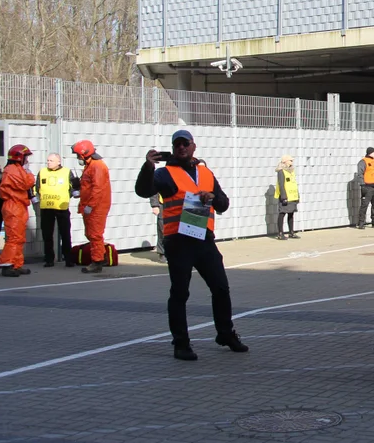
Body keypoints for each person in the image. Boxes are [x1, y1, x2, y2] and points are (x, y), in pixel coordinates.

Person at [135, 129, 248, 361]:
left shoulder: (205, 172)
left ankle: (225, 333)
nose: (181, 148)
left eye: (185, 144)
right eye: (177, 145)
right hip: (178, 242)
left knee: (220, 288)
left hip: (204, 240)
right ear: (173, 148)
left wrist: (212, 198)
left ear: (193, 146)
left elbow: (224, 204)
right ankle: (181, 343)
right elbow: (143, 190)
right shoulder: (166, 173)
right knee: (179, 293)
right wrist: (148, 167)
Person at [73, 140, 111, 274]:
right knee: (91, 233)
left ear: (84, 154)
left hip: (96, 206)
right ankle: (102, 257)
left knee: (94, 234)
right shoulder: (91, 166)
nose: (78, 158)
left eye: (78, 155)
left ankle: (97, 261)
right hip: (91, 205)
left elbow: (98, 189)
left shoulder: (97, 166)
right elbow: (88, 187)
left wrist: (90, 205)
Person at [0, 145, 35, 277]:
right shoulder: (12, 170)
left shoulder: (16, 169)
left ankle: (16, 264)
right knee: (14, 237)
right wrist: (29, 173)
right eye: (26, 157)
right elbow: (26, 183)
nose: (27, 160)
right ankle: (7, 264)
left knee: (19, 237)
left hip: (19, 205)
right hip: (13, 206)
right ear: (19, 157)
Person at [37, 153, 79, 268]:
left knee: (65, 234)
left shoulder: (66, 172)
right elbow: (37, 187)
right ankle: (49, 259)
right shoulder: (42, 172)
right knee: (47, 235)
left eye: (51, 160)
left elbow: (73, 188)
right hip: (46, 208)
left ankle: (68, 259)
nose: (48, 162)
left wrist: (70, 195)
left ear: (58, 162)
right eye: (48, 160)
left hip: (61, 208)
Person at [357, 147, 374, 229]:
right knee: (364, 205)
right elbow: (360, 174)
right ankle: (361, 222)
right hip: (367, 187)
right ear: (370, 152)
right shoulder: (363, 161)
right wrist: (362, 185)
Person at [275, 154, 299, 239]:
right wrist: (283, 197)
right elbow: (281, 185)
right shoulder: (281, 171)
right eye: (290, 161)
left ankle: (291, 232)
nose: (292, 162)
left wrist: (297, 196)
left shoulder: (291, 171)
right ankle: (280, 233)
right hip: (285, 197)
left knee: (291, 214)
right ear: (285, 161)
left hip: (292, 196)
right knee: (282, 214)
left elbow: (293, 184)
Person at [149, 194, 165, 260]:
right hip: (163, 204)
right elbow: (154, 190)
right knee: (162, 229)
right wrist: (155, 205)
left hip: (178, 203)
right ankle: (162, 253)